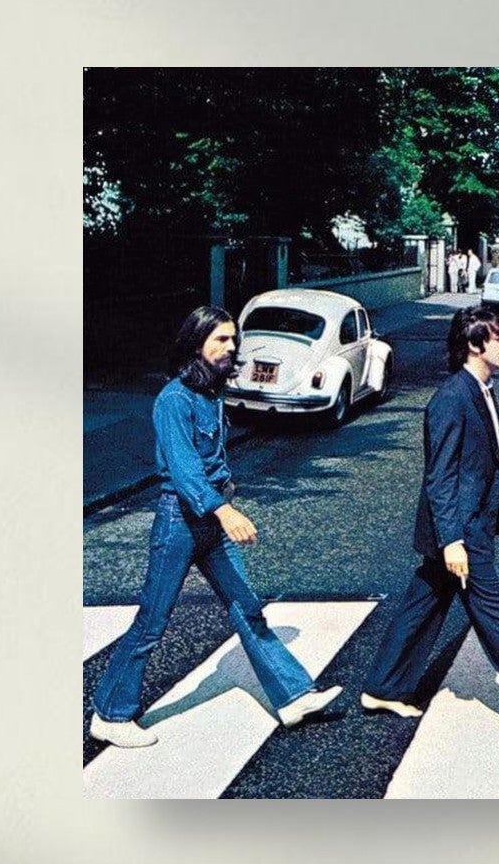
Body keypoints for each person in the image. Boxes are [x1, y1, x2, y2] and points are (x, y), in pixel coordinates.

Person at [90, 308, 341, 747]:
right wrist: (224, 510)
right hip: (181, 522)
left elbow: (210, 460)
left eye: (233, 339)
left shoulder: (211, 393)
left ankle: (293, 696)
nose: (231, 347)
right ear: (196, 344)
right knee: (153, 620)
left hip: (210, 521)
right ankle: (110, 714)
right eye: (220, 340)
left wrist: (226, 490)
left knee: (247, 607)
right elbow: (185, 472)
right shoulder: (174, 400)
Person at [359, 304, 499, 728]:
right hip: (462, 530)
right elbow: (439, 477)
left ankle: (383, 687)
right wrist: (452, 541)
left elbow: (494, 460)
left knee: (421, 606)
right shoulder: (451, 399)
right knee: (494, 615)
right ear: (475, 345)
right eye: (498, 337)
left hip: (470, 521)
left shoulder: (480, 389)